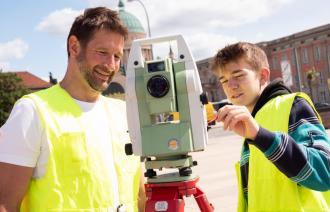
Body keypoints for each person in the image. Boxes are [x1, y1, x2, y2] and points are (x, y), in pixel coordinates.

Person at [0, 7, 146, 211]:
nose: (110, 65)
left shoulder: (123, 113)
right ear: (74, 46)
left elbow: (139, 195)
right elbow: (5, 204)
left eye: (117, 56)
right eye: (102, 53)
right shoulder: (32, 112)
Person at [212, 42, 330, 211]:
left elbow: (325, 171)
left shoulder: (292, 106)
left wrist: (261, 135)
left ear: (263, 76)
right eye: (223, 80)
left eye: (238, 76)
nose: (231, 86)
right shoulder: (255, 119)